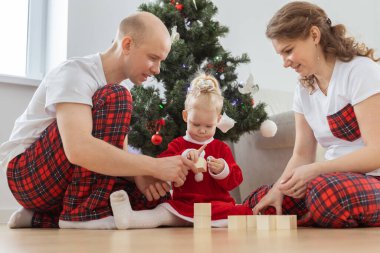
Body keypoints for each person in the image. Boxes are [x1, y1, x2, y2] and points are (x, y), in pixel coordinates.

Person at [0, 11, 198, 229]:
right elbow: (79, 149)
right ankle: (81, 215)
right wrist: (154, 165)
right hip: (26, 177)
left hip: (61, 182)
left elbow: (114, 155)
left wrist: (141, 175)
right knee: (118, 96)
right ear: (128, 44)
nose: (157, 69)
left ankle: (38, 218)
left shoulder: (115, 94)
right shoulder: (75, 73)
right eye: (153, 58)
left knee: (151, 198)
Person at [242, 1, 380, 228]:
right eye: (280, 54)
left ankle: (316, 215)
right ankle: (316, 217)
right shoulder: (304, 90)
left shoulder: (360, 72)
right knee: (259, 203)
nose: (285, 63)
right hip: (333, 180)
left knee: (324, 193)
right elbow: (302, 155)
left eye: (288, 51)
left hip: (372, 178)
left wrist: (315, 170)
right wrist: (279, 189)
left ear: (314, 35)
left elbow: (376, 152)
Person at [110, 74, 252, 229]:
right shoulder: (178, 144)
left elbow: (236, 179)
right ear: (186, 116)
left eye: (208, 126)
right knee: (163, 211)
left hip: (215, 205)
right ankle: (130, 219)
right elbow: (161, 165)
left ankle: (210, 221)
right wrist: (183, 158)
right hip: (185, 204)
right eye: (196, 124)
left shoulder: (221, 148)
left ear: (218, 120)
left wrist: (223, 169)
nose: (202, 130)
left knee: (241, 212)